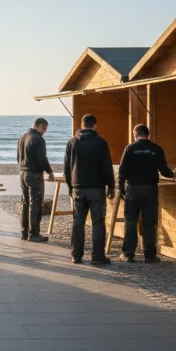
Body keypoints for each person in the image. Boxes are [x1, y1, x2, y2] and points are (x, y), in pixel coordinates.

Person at [118, 123, 176, 263]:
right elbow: (164, 171)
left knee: (131, 222)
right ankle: (150, 255)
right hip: (150, 189)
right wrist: (173, 174)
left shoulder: (130, 148)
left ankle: (128, 254)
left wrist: (121, 188)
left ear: (135, 134)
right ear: (148, 134)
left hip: (133, 189)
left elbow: (122, 170)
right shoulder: (156, 149)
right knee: (149, 223)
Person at [64, 113, 115, 265]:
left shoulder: (72, 142)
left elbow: (67, 167)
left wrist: (70, 186)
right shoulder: (100, 142)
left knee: (78, 222)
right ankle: (98, 256)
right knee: (98, 222)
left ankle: (76, 255)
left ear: (81, 124)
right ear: (94, 125)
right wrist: (111, 186)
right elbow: (107, 166)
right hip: (96, 189)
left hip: (78, 188)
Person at [17, 117, 54, 242]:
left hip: (22, 173)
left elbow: (18, 157)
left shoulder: (22, 137)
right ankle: (34, 234)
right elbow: (42, 158)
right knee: (36, 204)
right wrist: (49, 171)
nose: (45, 132)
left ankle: (24, 232)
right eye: (44, 129)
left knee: (25, 203)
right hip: (34, 174)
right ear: (40, 126)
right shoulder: (38, 139)